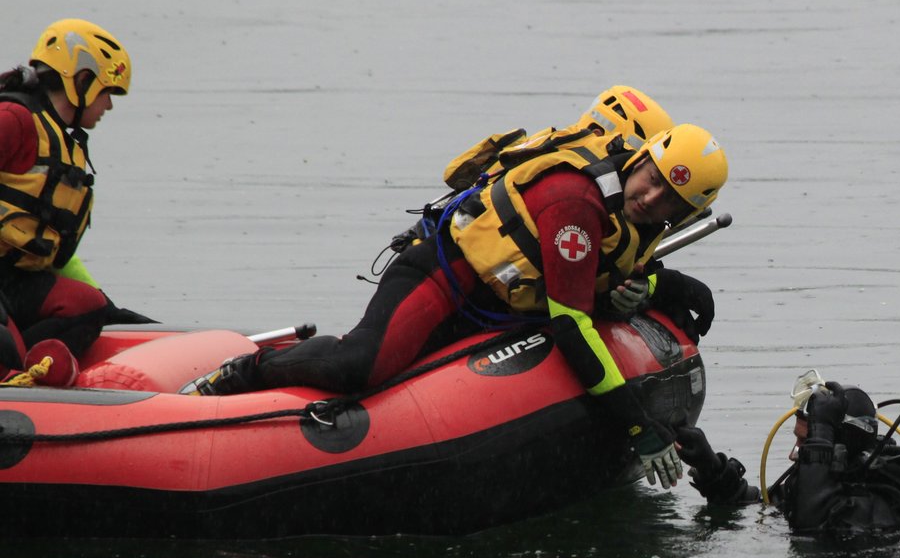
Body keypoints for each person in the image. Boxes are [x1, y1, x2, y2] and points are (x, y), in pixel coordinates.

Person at [184, 86, 726, 489]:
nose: (652, 199)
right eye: (652, 181)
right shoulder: (576, 202)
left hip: (502, 308)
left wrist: (655, 285)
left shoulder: (638, 221)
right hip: (446, 277)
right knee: (362, 367)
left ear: (687, 214)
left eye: (670, 201)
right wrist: (638, 425)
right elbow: (570, 320)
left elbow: (616, 271)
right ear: (640, 160)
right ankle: (250, 368)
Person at [676, 376, 900, 536]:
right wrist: (711, 468)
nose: (796, 453)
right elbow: (762, 508)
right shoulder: (828, 475)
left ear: (835, 443)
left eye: (807, 441)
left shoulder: (887, 497)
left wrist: (820, 438)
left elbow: (811, 523)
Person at [0, 19, 137, 380]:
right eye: (107, 91)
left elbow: (49, 239)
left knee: (88, 307)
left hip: (14, 279)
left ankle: (33, 371)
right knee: (5, 349)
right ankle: (13, 371)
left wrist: (107, 304)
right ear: (81, 81)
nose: (109, 104)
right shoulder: (13, 120)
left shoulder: (61, 139)